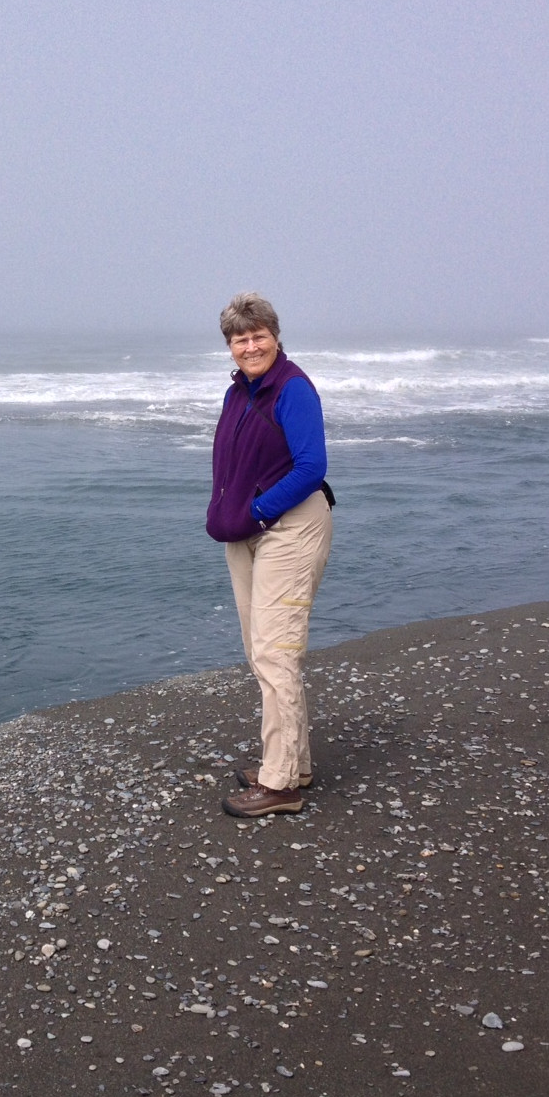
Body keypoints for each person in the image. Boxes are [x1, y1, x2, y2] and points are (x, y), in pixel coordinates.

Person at [206, 293, 332, 818]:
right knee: (262, 650)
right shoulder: (241, 391)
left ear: (275, 337)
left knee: (276, 651)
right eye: (240, 338)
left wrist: (256, 510)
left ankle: (280, 786)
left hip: (290, 528)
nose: (250, 345)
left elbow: (310, 467)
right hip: (249, 531)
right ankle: (292, 764)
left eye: (258, 335)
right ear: (230, 346)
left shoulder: (292, 388)